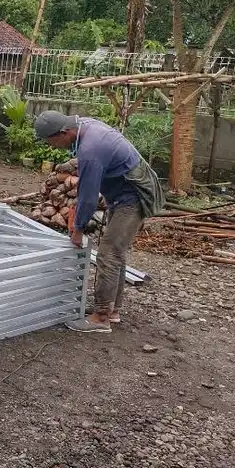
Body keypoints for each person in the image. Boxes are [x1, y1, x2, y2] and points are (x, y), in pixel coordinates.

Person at [34, 111, 165, 334]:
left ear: (64, 133)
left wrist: (78, 229)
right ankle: (112, 310)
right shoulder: (83, 126)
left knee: (108, 254)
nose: (52, 146)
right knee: (116, 252)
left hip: (133, 197)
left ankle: (101, 317)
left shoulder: (90, 150)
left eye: (51, 141)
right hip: (123, 192)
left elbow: (87, 197)